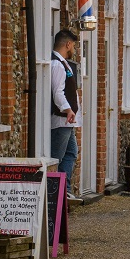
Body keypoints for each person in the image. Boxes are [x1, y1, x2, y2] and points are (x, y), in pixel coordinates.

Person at [50, 29, 80, 198]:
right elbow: (57, 92)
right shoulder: (56, 64)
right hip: (61, 119)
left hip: (67, 121)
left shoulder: (62, 63)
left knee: (71, 153)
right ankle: (56, 193)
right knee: (57, 157)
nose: (74, 48)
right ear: (68, 44)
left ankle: (64, 189)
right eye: (73, 45)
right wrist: (67, 109)